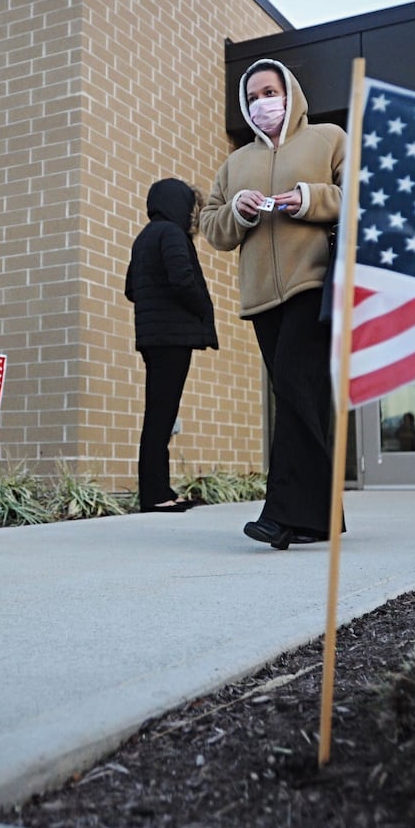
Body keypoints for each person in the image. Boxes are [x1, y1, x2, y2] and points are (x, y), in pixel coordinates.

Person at [199, 59, 345, 550]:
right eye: (255, 96)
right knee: (300, 395)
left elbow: (362, 195)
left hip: (315, 283)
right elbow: (211, 227)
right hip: (262, 297)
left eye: (271, 91)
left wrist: (307, 198)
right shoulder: (235, 163)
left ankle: (281, 515)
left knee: (292, 385)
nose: (264, 102)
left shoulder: (327, 139)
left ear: (291, 93)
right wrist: (237, 212)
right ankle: (322, 515)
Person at [125, 178, 218, 512]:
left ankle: (159, 491)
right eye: (190, 206)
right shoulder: (171, 233)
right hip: (171, 337)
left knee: (159, 415)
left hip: (152, 337)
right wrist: (202, 308)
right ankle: (156, 497)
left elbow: (131, 288)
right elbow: (182, 278)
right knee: (161, 416)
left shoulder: (144, 237)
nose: (192, 214)